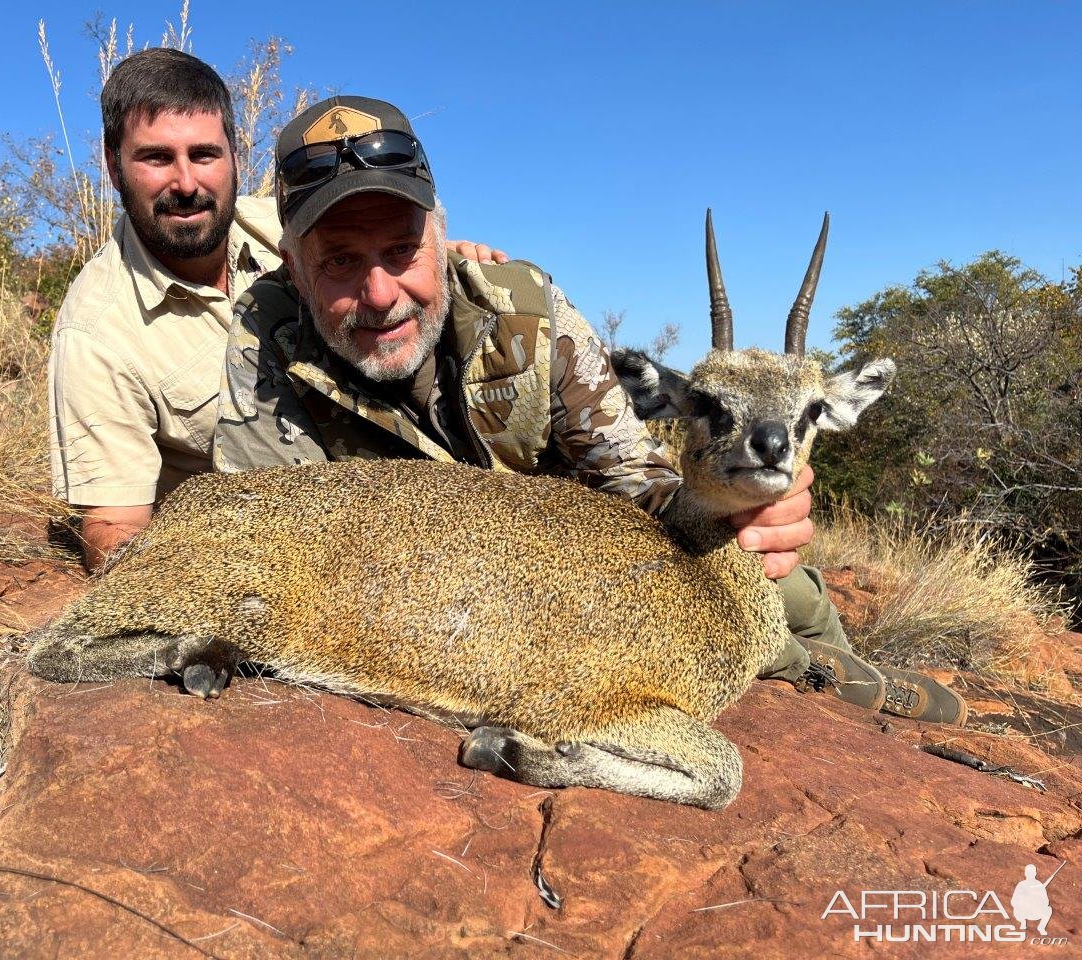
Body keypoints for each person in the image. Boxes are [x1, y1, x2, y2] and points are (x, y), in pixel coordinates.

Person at [210, 94, 968, 727]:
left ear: (439, 237)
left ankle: (844, 672)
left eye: (402, 250)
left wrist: (736, 508)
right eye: (340, 260)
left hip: (577, 565)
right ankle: (802, 669)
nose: (379, 295)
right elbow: (265, 534)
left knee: (768, 569)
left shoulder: (525, 309)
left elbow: (630, 474)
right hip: (449, 596)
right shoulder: (261, 342)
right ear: (293, 264)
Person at [47, 50, 504, 571]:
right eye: (156, 158)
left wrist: (451, 263)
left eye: (204, 154)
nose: (186, 183)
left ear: (235, 156)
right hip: (280, 547)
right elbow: (112, 527)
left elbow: (395, 247)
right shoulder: (95, 333)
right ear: (112, 165)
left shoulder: (294, 225)